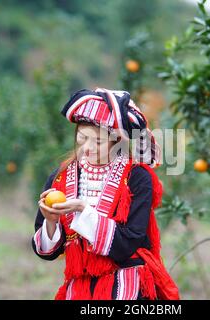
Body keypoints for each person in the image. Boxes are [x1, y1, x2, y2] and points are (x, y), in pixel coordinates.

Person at [31, 88, 180, 300]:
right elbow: (48, 252)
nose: (88, 148)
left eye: (98, 142)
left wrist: (84, 210)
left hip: (127, 286)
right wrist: (51, 222)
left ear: (117, 141)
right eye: (82, 138)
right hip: (80, 289)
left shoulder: (137, 177)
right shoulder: (60, 177)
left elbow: (130, 241)